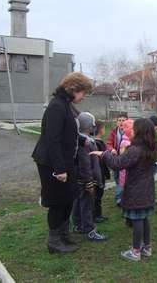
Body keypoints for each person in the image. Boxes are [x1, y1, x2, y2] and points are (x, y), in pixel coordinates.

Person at [32, 72, 93, 254]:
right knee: (58, 201)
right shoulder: (57, 107)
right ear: (73, 88)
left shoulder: (66, 105)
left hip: (65, 160)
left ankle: (64, 235)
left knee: (68, 198)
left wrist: (82, 141)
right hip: (52, 163)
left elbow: (68, 131)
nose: (84, 97)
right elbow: (52, 139)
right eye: (83, 92)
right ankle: (54, 241)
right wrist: (59, 169)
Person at [90, 118, 157, 262]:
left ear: (140, 133)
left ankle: (135, 252)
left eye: (133, 130)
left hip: (136, 191)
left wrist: (104, 154)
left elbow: (117, 163)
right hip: (147, 190)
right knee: (144, 218)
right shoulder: (152, 147)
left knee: (137, 220)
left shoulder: (135, 150)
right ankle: (147, 247)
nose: (129, 132)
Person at [72, 112, 107, 241]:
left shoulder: (80, 140)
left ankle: (78, 224)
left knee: (78, 202)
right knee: (87, 205)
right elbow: (85, 164)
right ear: (90, 126)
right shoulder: (84, 143)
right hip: (85, 179)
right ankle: (89, 230)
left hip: (79, 178)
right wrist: (89, 182)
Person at [106, 112, 129, 207]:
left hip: (126, 159)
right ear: (116, 122)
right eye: (119, 120)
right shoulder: (114, 132)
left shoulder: (129, 132)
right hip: (116, 159)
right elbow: (108, 143)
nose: (121, 122)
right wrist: (112, 149)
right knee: (116, 177)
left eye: (123, 120)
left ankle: (119, 198)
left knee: (123, 178)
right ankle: (121, 193)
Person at [93, 120, 110, 223]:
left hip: (97, 172)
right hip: (99, 172)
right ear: (100, 130)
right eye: (103, 128)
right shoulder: (99, 143)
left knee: (97, 195)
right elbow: (105, 158)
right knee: (98, 195)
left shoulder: (92, 141)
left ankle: (97, 214)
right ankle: (96, 215)